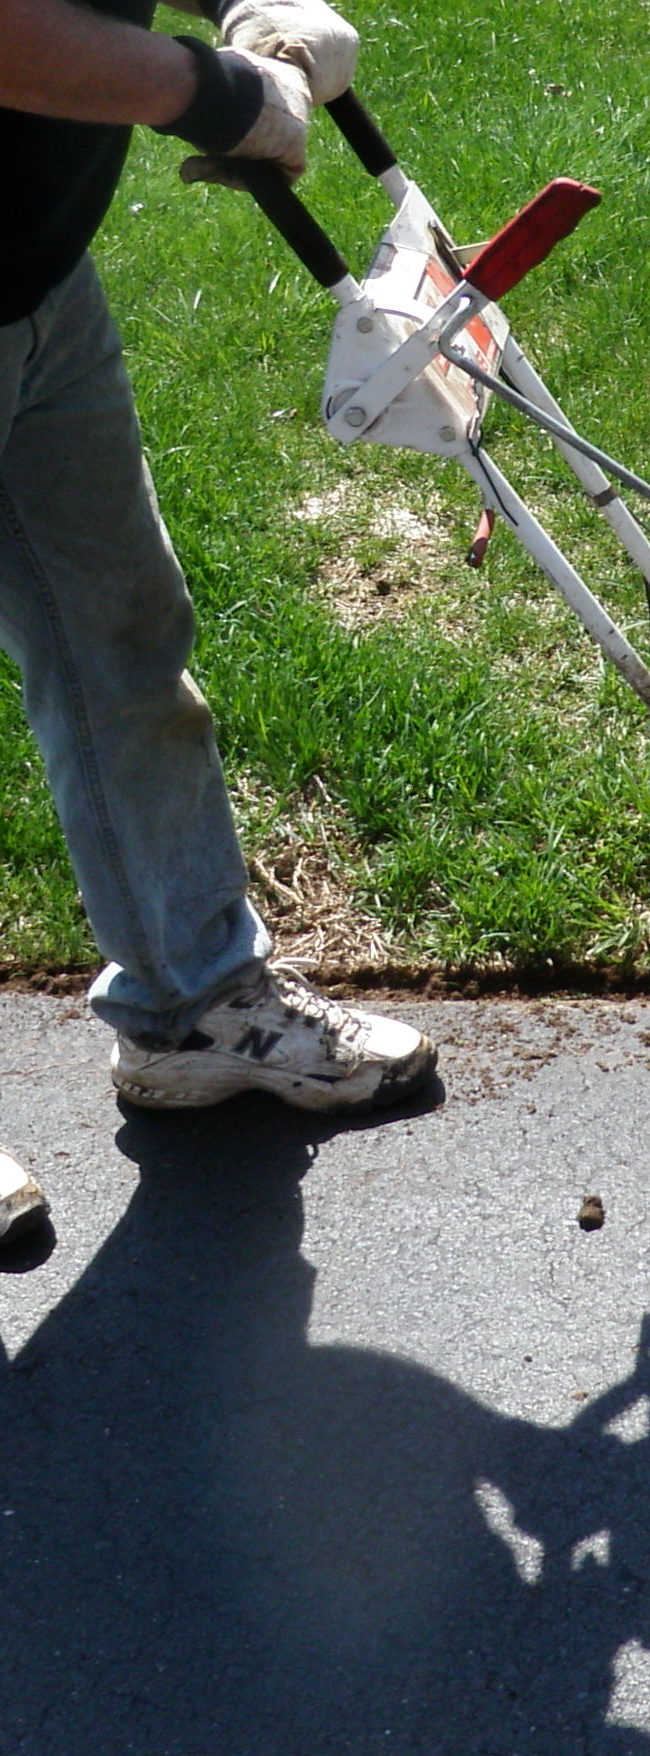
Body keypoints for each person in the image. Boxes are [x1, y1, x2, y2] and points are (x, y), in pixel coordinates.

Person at [1, 0, 434, 1240]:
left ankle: (193, 1006)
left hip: (33, 283)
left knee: (119, 639)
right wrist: (218, 91)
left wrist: (259, 7)